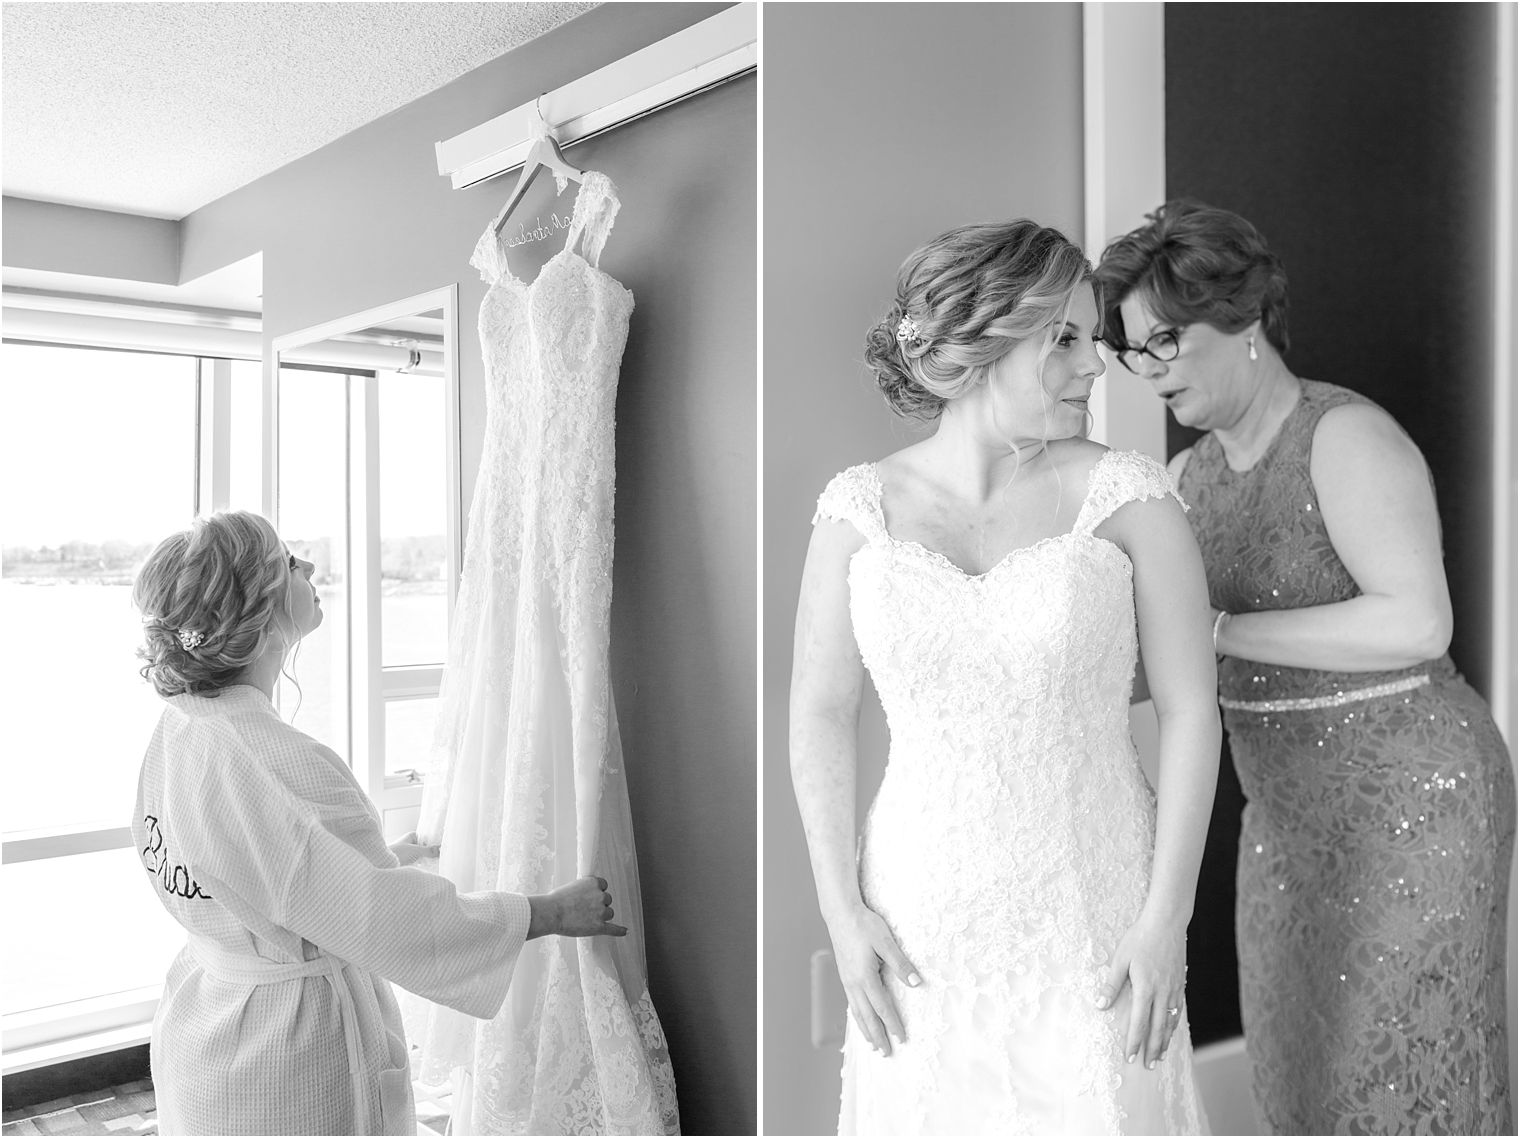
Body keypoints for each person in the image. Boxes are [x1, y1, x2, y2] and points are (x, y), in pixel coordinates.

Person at [789, 220, 1220, 1135]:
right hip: (918, 922)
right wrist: (840, 908)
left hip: (1092, 910)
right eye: (1063, 338)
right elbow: (820, 712)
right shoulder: (858, 510)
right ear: (985, 341)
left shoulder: (1132, 499)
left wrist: (1165, 920)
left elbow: (1190, 710)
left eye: (1089, 338)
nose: (1095, 365)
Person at [1096, 199, 1515, 1135]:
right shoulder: (1186, 481)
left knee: (1404, 1076)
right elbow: (1154, 656)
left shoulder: (1343, 437)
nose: (1149, 369)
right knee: (1300, 1075)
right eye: (1134, 349)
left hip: (1416, 807)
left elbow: (1417, 622)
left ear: (1241, 319)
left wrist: (1217, 633)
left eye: (1166, 339)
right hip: (1284, 829)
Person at [130, 510, 626, 1136]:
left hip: (210, 1029)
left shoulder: (180, 730)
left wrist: (366, 855)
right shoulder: (277, 761)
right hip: (290, 1058)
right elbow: (382, 918)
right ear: (257, 615)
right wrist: (547, 912)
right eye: (288, 562)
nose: (309, 567)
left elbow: (247, 865)